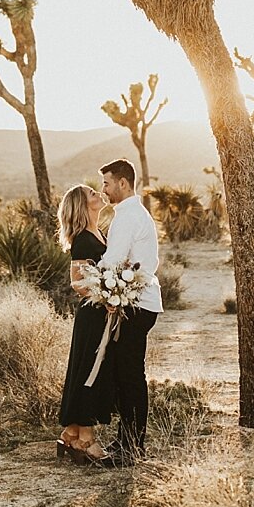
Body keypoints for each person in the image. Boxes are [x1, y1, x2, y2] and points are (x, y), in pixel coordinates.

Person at [96, 157, 163, 465]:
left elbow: (113, 261)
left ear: (122, 183)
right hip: (137, 303)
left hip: (136, 305)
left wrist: (98, 283)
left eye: (107, 183)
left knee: (130, 376)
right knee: (126, 376)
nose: (104, 189)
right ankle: (127, 442)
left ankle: (132, 448)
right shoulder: (135, 213)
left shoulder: (127, 216)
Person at [55, 183, 117, 464]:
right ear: (83, 205)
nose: (98, 194)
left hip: (100, 312)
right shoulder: (83, 238)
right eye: (92, 193)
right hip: (92, 314)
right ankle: (87, 438)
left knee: (90, 370)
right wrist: (106, 297)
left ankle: (72, 433)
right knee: (90, 371)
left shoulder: (98, 232)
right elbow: (77, 282)